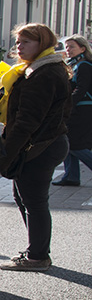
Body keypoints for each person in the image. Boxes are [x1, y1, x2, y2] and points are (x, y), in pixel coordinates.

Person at [0, 24, 71, 271]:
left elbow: (28, 120)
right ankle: (37, 251)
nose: (19, 47)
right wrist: (3, 99)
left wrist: (7, 152)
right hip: (44, 142)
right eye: (18, 42)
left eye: (26, 42)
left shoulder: (43, 73)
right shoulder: (40, 69)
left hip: (40, 144)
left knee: (33, 201)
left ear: (42, 44)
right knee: (25, 198)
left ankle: (37, 256)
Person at [52, 34, 92, 187]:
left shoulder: (84, 66)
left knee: (76, 145)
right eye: (67, 47)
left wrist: (67, 105)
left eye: (72, 47)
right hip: (77, 108)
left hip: (83, 110)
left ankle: (72, 175)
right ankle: (71, 176)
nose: (68, 50)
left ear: (82, 48)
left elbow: (81, 89)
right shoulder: (74, 65)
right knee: (67, 141)